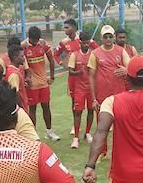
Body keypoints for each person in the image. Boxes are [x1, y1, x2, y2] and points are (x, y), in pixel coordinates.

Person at [88, 25, 130, 157]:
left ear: (113, 37)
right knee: (102, 126)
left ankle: (121, 151)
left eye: (110, 36)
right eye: (105, 36)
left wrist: (126, 70)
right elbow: (91, 77)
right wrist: (94, 99)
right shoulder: (95, 54)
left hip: (119, 96)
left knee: (121, 126)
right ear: (101, 38)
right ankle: (102, 151)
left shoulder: (121, 51)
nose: (107, 39)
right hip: (102, 98)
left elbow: (131, 67)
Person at [53, 18, 99, 136]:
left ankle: (90, 129)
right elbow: (56, 54)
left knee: (90, 101)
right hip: (73, 77)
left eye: (67, 27)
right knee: (75, 102)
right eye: (64, 27)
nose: (65, 30)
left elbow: (98, 49)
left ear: (74, 27)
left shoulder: (83, 38)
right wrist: (61, 63)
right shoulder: (63, 42)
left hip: (86, 76)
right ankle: (75, 126)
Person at [22, 26, 59, 141]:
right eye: (34, 40)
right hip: (31, 85)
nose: (36, 42)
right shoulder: (23, 46)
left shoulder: (43, 44)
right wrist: (25, 79)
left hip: (43, 83)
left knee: (46, 107)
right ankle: (32, 135)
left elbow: (51, 60)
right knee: (32, 109)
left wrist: (52, 76)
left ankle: (49, 132)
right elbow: (20, 64)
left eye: (37, 39)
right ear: (29, 38)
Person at [67, 32, 95, 149]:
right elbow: (70, 71)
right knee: (78, 112)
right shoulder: (75, 55)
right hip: (79, 89)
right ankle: (76, 138)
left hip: (91, 88)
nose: (86, 45)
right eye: (84, 43)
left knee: (91, 110)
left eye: (88, 43)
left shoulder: (93, 55)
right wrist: (79, 72)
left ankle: (87, 133)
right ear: (80, 43)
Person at [4, 45, 29, 111]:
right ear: (15, 57)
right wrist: (21, 109)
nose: (24, 58)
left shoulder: (12, 70)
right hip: (19, 110)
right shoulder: (14, 74)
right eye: (22, 56)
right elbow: (15, 93)